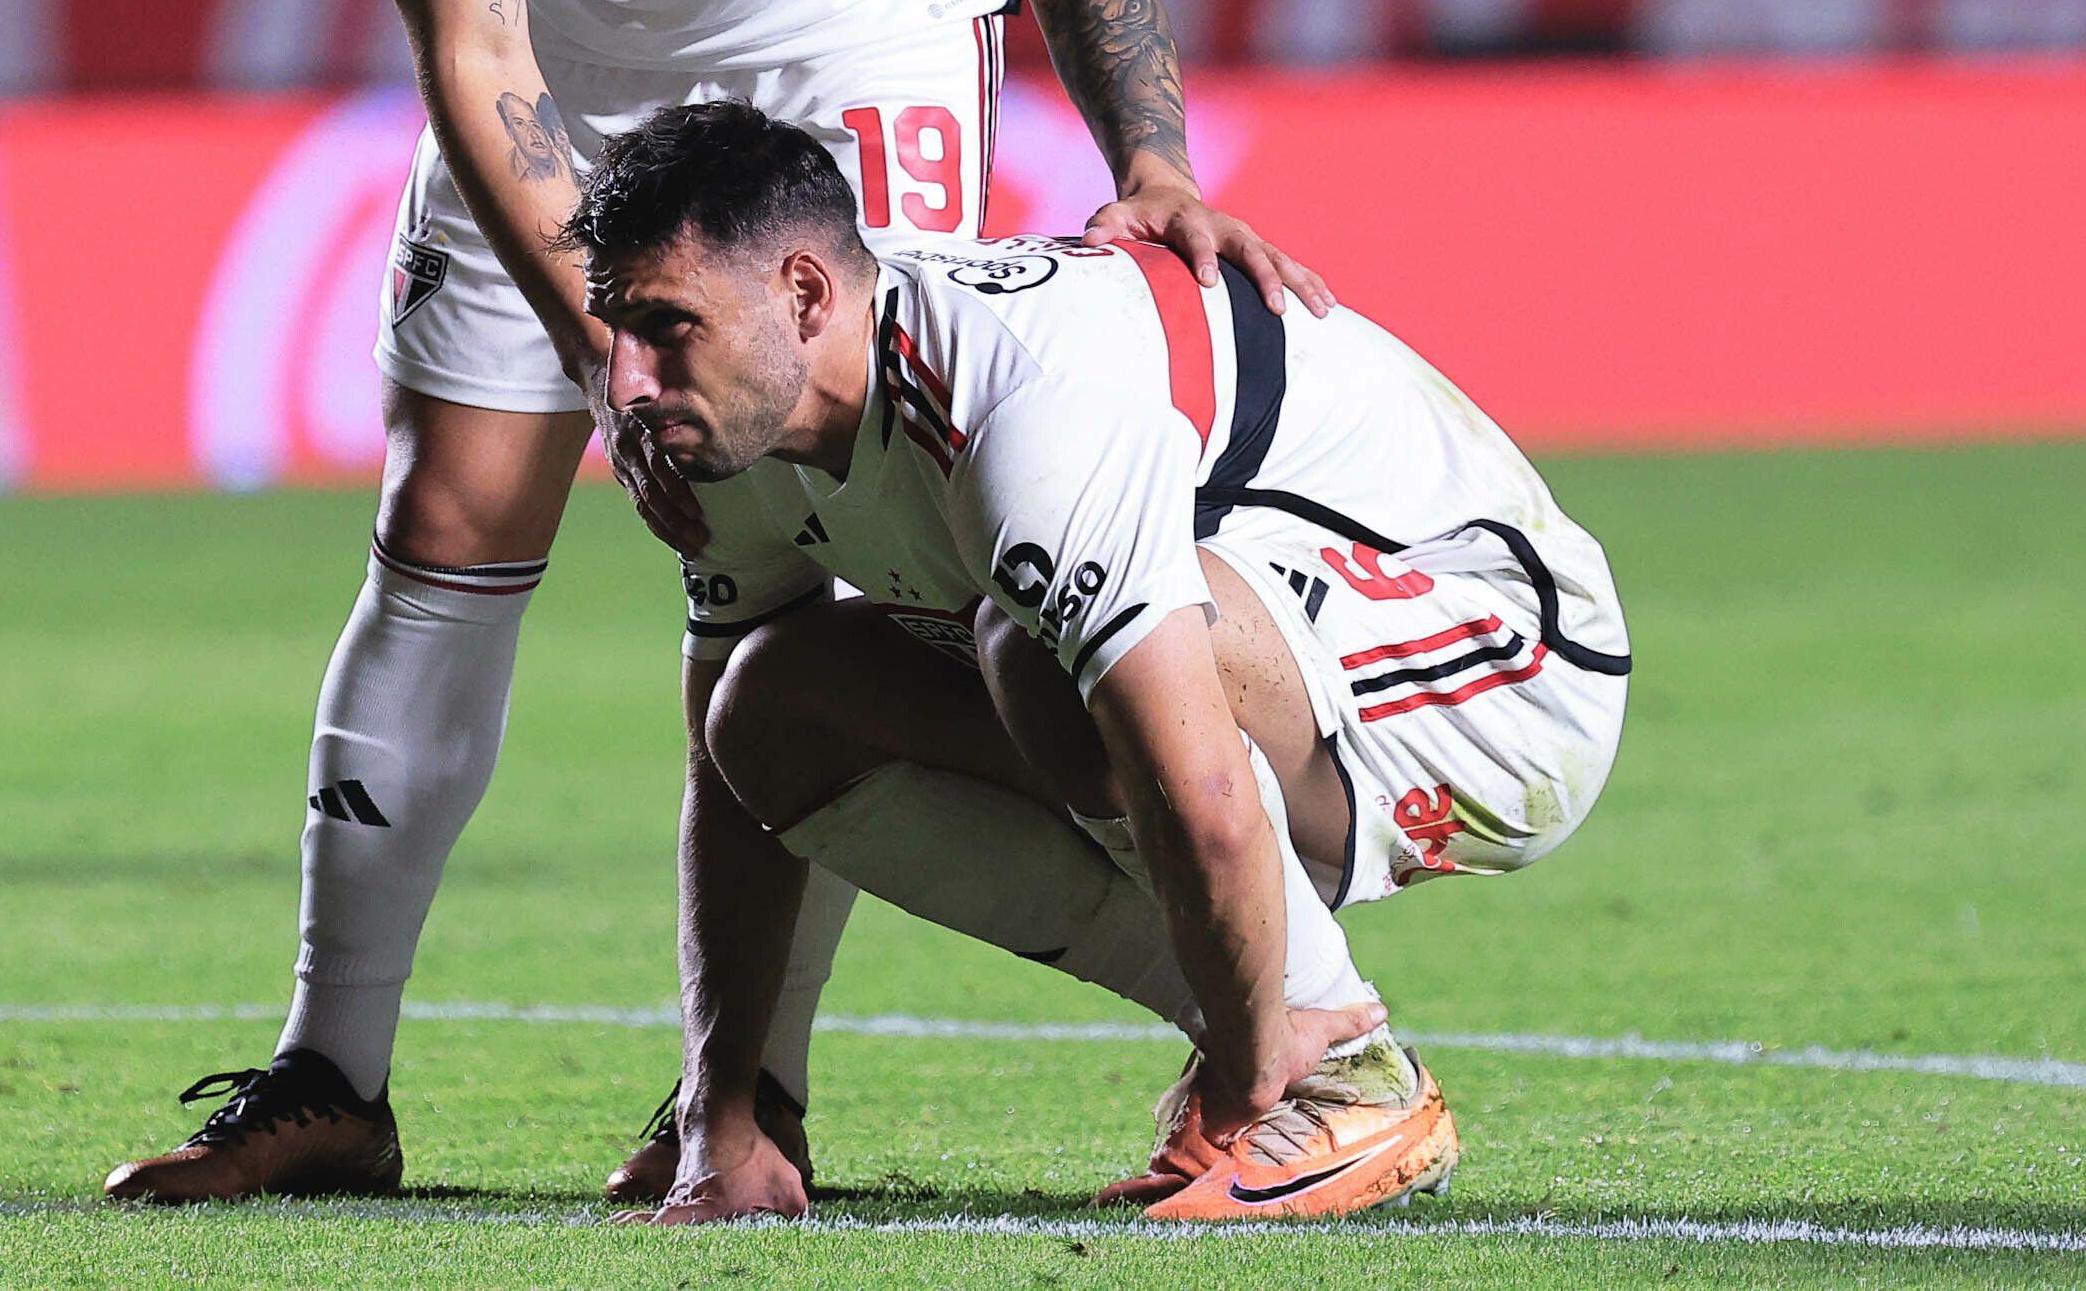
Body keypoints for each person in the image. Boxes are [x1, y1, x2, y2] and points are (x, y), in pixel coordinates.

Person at [107, 0, 1325, 1203]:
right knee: (445, 516)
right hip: (574, 89)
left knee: (805, 567)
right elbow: (472, 39)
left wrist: (1151, 156)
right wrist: (607, 334)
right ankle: (330, 1072)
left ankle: (750, 1094)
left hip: (850, 60)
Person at [573, 101, 1627, 1222]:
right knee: (769, 711)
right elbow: (732, 786)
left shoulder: (1019, 408)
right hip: (1273, 653)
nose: (625, 382)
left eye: (666, 325)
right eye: (615, 329)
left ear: (803, 293)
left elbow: (1203, 792)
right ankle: (1255, 1035)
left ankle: (1339, 1073)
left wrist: (1253, 1051)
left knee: (1030, 648)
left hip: (1498, 665)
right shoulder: (725, 421)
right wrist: (729, 1112)